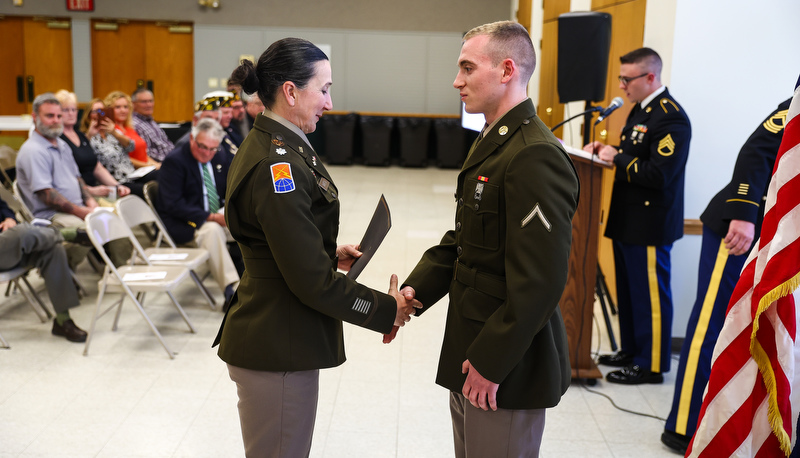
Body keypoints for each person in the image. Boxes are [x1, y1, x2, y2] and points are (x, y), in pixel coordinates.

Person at [212, 37, 420, 457]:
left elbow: (279, 241)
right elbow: (311, 283)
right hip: (277, 343)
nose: (329, 102)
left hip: (281, 334)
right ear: (290, 91)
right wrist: (386, 310)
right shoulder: (278, 163)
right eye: (323, 89)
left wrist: (325, 252)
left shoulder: (278, 143)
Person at [397, 21, 580, 457]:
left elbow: (540, 280)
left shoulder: (533, 154)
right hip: (473, 343)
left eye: (467, 67)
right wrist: (414, 290)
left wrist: (492, 362)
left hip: (506, 364)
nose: (456, 81)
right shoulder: (494, 140)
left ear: (506, 70)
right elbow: (466, 238)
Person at [660, 98, 791, 454]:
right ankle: (684, 424)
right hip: (741, 229)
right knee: (712, 322)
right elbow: (756, 150)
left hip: (776, 236)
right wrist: (746, 213)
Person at [583, 47, 692, 385]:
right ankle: (631, 350)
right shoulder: (641, 111)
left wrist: (616, 158)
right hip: (628, 219)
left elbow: (659, 175)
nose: (621, 87)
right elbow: (631, 154)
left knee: (650, 296)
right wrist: (604, 152)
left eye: (626, 79)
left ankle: (651, 364)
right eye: (620, 78)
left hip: (649, 223)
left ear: (650, 77)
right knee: (629, 291)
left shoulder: (670, 117)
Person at [155, 118, 240, 303]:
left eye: (213, 148)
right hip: (185, 223)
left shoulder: (218, 154)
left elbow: (228, 187)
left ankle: (255, 279)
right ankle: (232, 290)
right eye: (203, 147)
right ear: (192, 139)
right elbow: (172, 204)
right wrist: (211, 217)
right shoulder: (175, 161)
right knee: (212, 231)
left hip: (215, 213)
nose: (207, 153)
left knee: (248, 221)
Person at [0, 196, 88, 342]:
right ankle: (68, 234)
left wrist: (9, 219)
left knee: (53, 248)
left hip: (9, 244)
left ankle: (62, 320)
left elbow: (3, 206)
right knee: (22, 232)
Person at [54, 90, 131, 201]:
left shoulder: (80, 136)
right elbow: (63, 177)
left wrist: (117, 186)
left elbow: (97, 167)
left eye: (73, 109)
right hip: (77, 195)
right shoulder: (58, 139)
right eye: (66, 110)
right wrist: (90, 190)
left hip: (96, 190)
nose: (71, 113)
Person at [84, 98, 158, 199]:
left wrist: (114, 132)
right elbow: (84, 156)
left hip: (132, 175)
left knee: (160, 175)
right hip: (117, 181)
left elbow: (131, 147)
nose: (99, 114)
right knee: (149, 190)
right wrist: (89, 135)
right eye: (95, 111)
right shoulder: (87, 137)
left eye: (102, 111)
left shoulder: (112, 132)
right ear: (88, 115)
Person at [175, 92, 239, 157]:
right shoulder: (186, 143)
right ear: (195, 120)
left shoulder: (222, 136)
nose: (213, 122)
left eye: (217, 119)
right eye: (208, 118)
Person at [131, 87, 175, 162]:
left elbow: (167, 143)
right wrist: (171, 160)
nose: (148, 105)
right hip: (160, 164)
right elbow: (147, 153)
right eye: (144, 102)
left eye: (150, 101)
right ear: (133, 104)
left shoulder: (151, 121)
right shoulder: (134, 124)